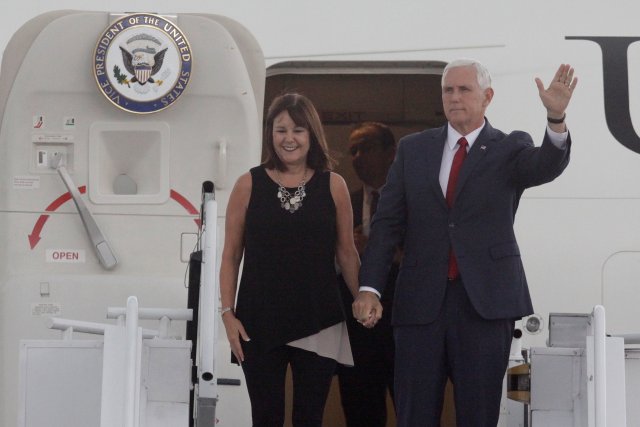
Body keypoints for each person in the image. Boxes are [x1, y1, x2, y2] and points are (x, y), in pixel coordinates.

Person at [353, 59, 577, 426]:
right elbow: (387, 223)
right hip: (421, 304)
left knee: (477, 414)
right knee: (414, 414)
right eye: (448, 90)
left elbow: (546, 165)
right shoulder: (413, 150)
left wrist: (555, 119)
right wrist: (369, 287)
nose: (454, 97)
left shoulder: (509, 147)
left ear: (487, 97)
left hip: (484, 305)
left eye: (464, 89)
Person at [219, 92, 360, 427]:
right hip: (258, 321)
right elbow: (230, 256)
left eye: (298, 130)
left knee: (309, 418)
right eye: (281, 130)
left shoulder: (334, 185)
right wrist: (227, 313)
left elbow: (347, 252)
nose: (289, 139)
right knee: (265, 418)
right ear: (271, 134)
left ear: (312, 135)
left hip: (319, 318)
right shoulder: (247, 184)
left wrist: (364, 297)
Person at [336, 122, 398, 427]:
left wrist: (372, 246)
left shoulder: (413, 198)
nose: (358, 156)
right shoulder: (345, 198)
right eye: (353, 151)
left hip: (403, 322)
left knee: (414, 407)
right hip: (358, 329)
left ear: (391, 153)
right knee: (361, 410)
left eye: (367, 148)